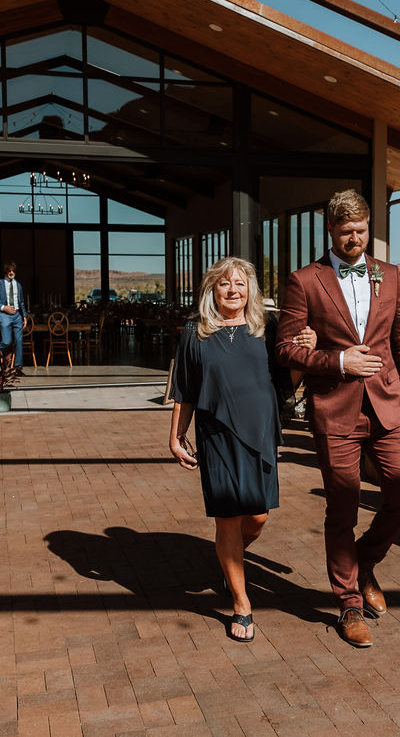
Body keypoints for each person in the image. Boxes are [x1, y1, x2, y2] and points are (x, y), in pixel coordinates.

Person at [276, 189, 400, 648]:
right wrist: (340, 362)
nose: (355, 240)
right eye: (346, 233)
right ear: (331, 231)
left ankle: (364, 561)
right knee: (341, 506)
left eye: (362, 231)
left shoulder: (390, 275)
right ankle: (347, 603)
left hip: (387, 405)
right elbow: (287, 349)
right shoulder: (305, 280)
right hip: (334, 407)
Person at [169, 257, 313, 644]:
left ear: (250, 290)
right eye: (223, 284)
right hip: (216, 435)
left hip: (261, 434)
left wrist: (304, 353)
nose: (232, 290)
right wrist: (175, 436)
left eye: (240, 283)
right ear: (211, 290)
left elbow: (286, 381)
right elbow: (184, 389)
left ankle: (228, 556)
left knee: (259, 517)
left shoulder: (266, 329)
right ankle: (241, 603)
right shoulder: (194, 332)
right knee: (228, 521)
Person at [0, 262, 26, 371]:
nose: (11, 272)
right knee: (6, 341)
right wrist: (3, 307)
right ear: (5, 271)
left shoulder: (18, 285)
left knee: (19, 341)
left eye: (13, 271)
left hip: (17, 315)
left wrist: (24, 316)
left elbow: (22, 302)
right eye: (9, 270)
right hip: (4, 315)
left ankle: (18, 367)